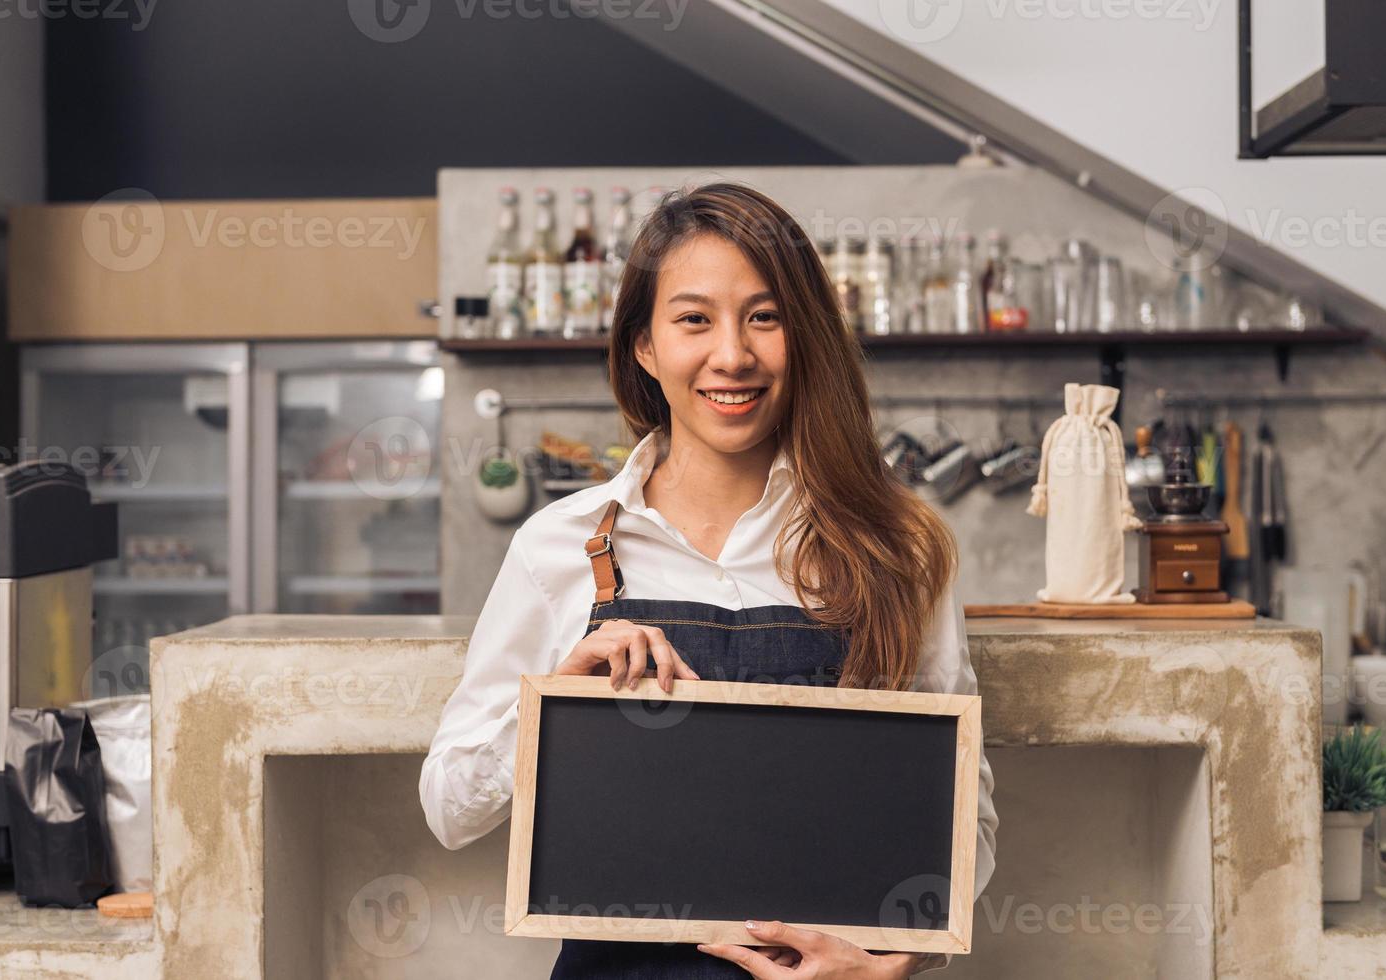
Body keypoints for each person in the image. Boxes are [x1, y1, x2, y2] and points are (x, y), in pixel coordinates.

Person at [420, 182, 997, 978]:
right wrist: (554, 705)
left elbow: (967, 826)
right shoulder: (556, 546)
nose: (733, 354)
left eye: (765, 317)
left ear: (808, 339)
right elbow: (448, 807)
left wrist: (895, 965)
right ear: (644, 348)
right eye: (695, 319)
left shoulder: (897, 547)